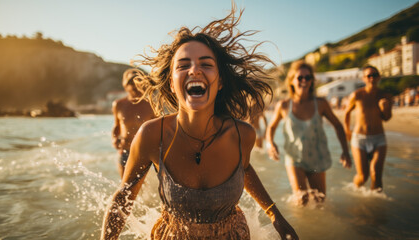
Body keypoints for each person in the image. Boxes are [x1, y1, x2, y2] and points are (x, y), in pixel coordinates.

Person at [101, 7, 298, 240]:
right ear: (172, 84)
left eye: (205, 64)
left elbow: (243, 168)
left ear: (221, 80)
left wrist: (274, 214)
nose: (194, 69)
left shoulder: (241, 134)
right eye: (183, 65)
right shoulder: (153, 135)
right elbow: (124, 197)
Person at [266, 61, 351, 206]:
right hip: (294, 158)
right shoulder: (284, 105)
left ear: (312, 81)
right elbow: (271, 127)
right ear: (292, 81)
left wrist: (345, 151)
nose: (304, 81)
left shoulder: (321, 104)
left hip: (317, 158)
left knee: (320, 200)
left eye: (308, 77)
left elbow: (338, 125)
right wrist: (270, 144)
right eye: (300, 78)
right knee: (301, 199)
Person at [344, 65, 392, 191]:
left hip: (379, 139)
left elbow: (387, 118)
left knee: (376, 174)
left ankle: (376, 206)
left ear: (379, 77)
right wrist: (347, 130)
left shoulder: (385, 96)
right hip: (359, 139)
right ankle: (354, 189)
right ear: (363, 78)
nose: (372, 78)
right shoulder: (357, 95)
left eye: (374, 75)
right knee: (363, 176)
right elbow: (347, 112)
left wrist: (385, 108)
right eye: (369, 76)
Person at [111, 68, 156, 178]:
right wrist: (114, 139)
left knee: (140, 186)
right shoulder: (119, 105)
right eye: (132, 83)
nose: (135, 86)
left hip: (144, 152)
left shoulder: (151, 105)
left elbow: (158, 128)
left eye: (139, 82)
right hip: (125, 150)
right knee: (124, 188)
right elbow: (117, 126)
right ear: (126, 85)